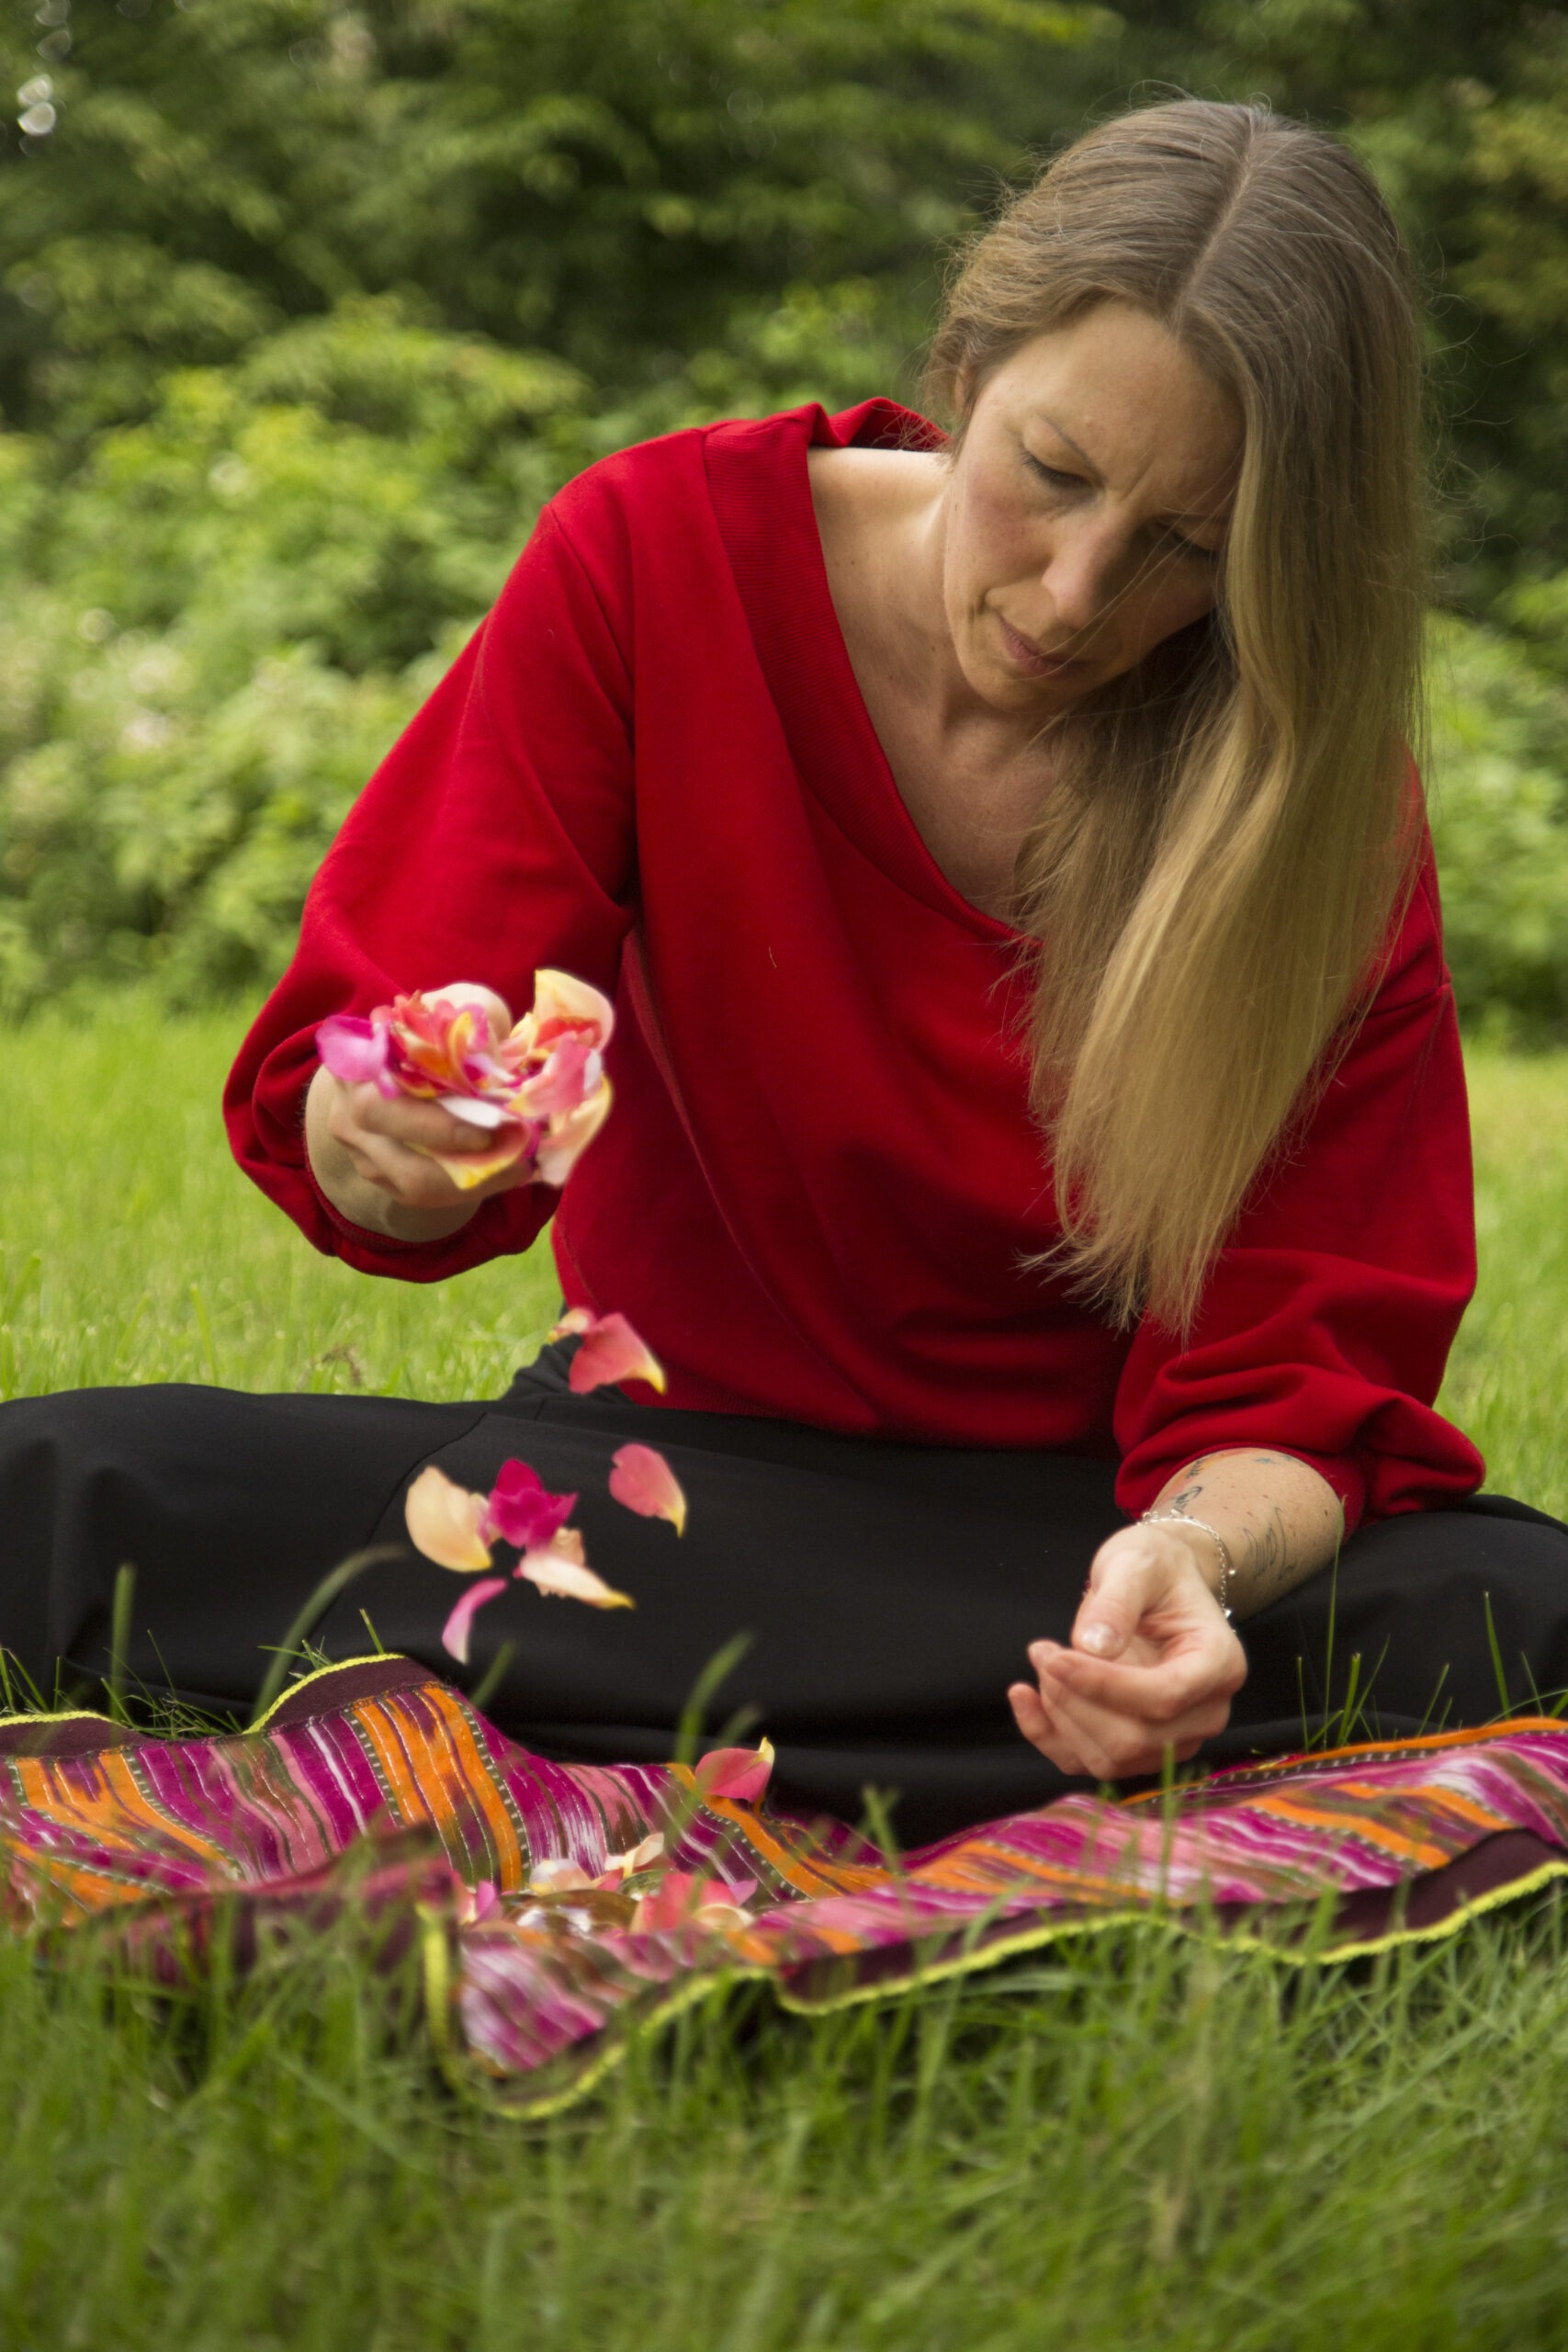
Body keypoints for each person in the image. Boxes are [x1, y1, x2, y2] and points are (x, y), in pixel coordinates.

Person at [5, 99, 1567, 1842]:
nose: (1072, 591)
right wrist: (398, 1145)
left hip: (1080, 1543)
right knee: (73, 1484)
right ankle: (929, 1724)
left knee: (1511, 1610)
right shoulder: (655, 560)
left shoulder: (1311, 799)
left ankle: (731, 1702)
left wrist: (1189, 1563)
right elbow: (409, 1051)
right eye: (1051, 472)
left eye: (1188, 549)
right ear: (971, 357)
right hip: (676, 1484)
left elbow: (1300, 1369)